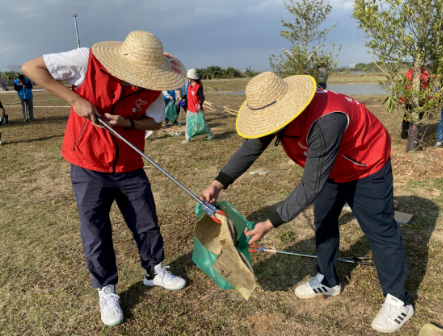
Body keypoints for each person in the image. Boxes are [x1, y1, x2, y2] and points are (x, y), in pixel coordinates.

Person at [201, 72, 413, 334]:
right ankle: (328, 279)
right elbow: (250, 148)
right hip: (331, 168)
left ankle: (398, 300)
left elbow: (311, 185)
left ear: (288, 108)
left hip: (365, 165)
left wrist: (270, 223)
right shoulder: (277, 112)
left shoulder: (326, 121)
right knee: (323, 220)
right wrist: (219, 182)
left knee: (380, 230)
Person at [22, 31, 187, 327]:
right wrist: (74, 98)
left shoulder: (154, 84)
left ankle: (155, 271)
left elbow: (157, 122)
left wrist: (128, 123)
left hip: (129, 165)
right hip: (89, 164)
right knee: (95, 229)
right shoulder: (87, 61)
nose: (139, 80)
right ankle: (106, 287)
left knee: (145, 220)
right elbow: (31, 68)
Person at [181, 69, 213, 143]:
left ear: (192, 78)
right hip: (190, 109)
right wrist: (184, 99)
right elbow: (187, 95)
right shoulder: (189, 86)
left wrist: (200, 103)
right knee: (188, 125)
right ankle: (187, 139)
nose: (187, 79)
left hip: (197, 109)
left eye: (188, 78)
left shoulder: (198, 87)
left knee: (202, 123)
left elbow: (202, 97)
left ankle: (210, 134)